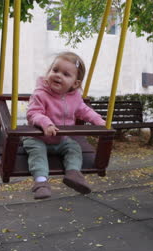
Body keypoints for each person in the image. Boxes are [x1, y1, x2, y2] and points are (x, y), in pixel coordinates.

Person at [23, 51, 106, 199]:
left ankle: (73, 173)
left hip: (61, 139)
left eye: (66, 74)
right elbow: (33, 113)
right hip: (38, 137)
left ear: (75, 83)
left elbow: (84, 110)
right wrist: (46, 124)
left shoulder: (75, 97)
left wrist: (99, 121)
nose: (58, 75)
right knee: (37, 153)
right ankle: (41, 182)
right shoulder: (40, 93)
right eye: (55, 70)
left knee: (74, 148)